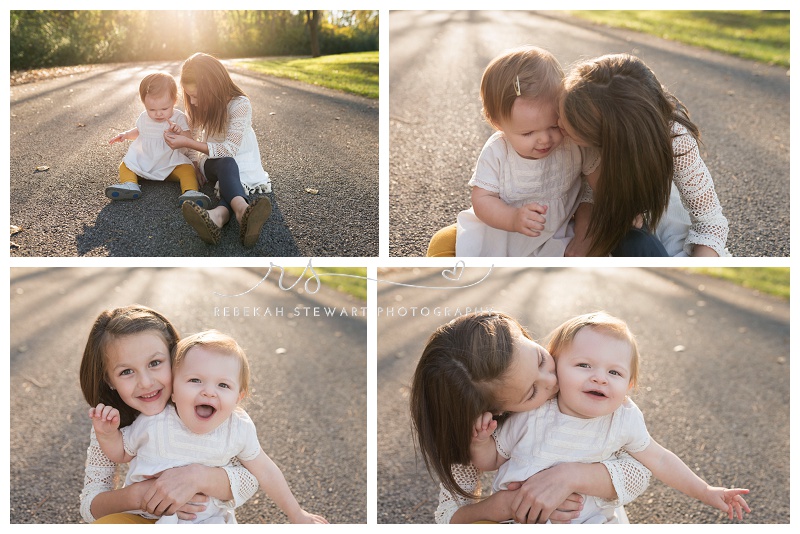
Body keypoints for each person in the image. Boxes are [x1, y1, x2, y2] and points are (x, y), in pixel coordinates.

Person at [470, 312, 750, 523]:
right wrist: (481, 442)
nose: (599, 377)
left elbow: (661, 459)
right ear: (557, 368)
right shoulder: (534, 413)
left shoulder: (622, 419)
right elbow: (492, 461)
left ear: (629, 387)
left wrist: (707, 491)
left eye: (614, 372)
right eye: (584, 365)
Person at [410, 312, 653, 524]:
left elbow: (643, 468)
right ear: (497, 412)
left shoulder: (587, 383)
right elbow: (449, 517)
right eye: (532, 392)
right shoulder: (478, 430)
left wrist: (570, 477)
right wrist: (508, 504)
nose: (553, 380)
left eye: (540, 359)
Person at [425, 47, 666, 257]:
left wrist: (621, 211)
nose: (545, 139)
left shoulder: (572, 143)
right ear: (498, 124)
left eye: (553, 125)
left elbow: (598, 187)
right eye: (527, 134)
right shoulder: (498, 151)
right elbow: (482, 199)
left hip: (556, 231)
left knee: (589, 253)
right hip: (503, 230)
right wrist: (512, 218)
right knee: (447, 244)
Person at [89, 330, 328, 524]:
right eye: (195, 380)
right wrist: (107, 434)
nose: (208, 391)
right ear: (173, 390)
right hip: (144, 517)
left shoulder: (237, 428)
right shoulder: (154, 421)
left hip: (206, 521)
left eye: (223, 385)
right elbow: (121, 453)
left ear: (238, 397)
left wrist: (297, 514)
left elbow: (265, 471)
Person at [78, 305, 259, 524]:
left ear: (176, 358)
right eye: (126, 372)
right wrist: (142, 494)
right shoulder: (108, 426)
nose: (146, 383)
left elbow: (251, 477)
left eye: (155, 363)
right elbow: (90, 506)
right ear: (109, 380)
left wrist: (196, 477)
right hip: (142, 518)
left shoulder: (208, 409)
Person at [559, 54, 729, 257]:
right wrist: (583, 237)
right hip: (610, 223)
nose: (557, 123)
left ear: (610, 139)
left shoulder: (676, 142)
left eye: (568, 123)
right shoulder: (584, 129)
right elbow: (588, 191)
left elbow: (711, 222)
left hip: (667, 221)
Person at [164, 52, 272, 247]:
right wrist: (195, 162)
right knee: (227, 165)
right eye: (190, 96)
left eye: (196, 96)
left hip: (244, 158)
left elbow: (229, 148)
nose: (193, 102)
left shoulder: (240, 105)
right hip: (212, 162)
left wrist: (187, 143)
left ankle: (217, 217)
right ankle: (242, 210)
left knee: (231, 178)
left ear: (212, 88)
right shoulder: (198, 106)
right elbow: (194, 137)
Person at [105, 72, 211, 208]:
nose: (158, 113)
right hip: (146, 162)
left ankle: (190, 192)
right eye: (152, 109)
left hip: (171, 164)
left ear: (174, 101)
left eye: (164, 108)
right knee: (126, 165)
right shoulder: (144, 117)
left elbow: (189, 140)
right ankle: (130, 185)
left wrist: (179, 132)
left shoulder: (178, 118)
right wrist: (125, 135)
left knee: (187, 169)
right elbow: (139, 131)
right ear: (144, 104)